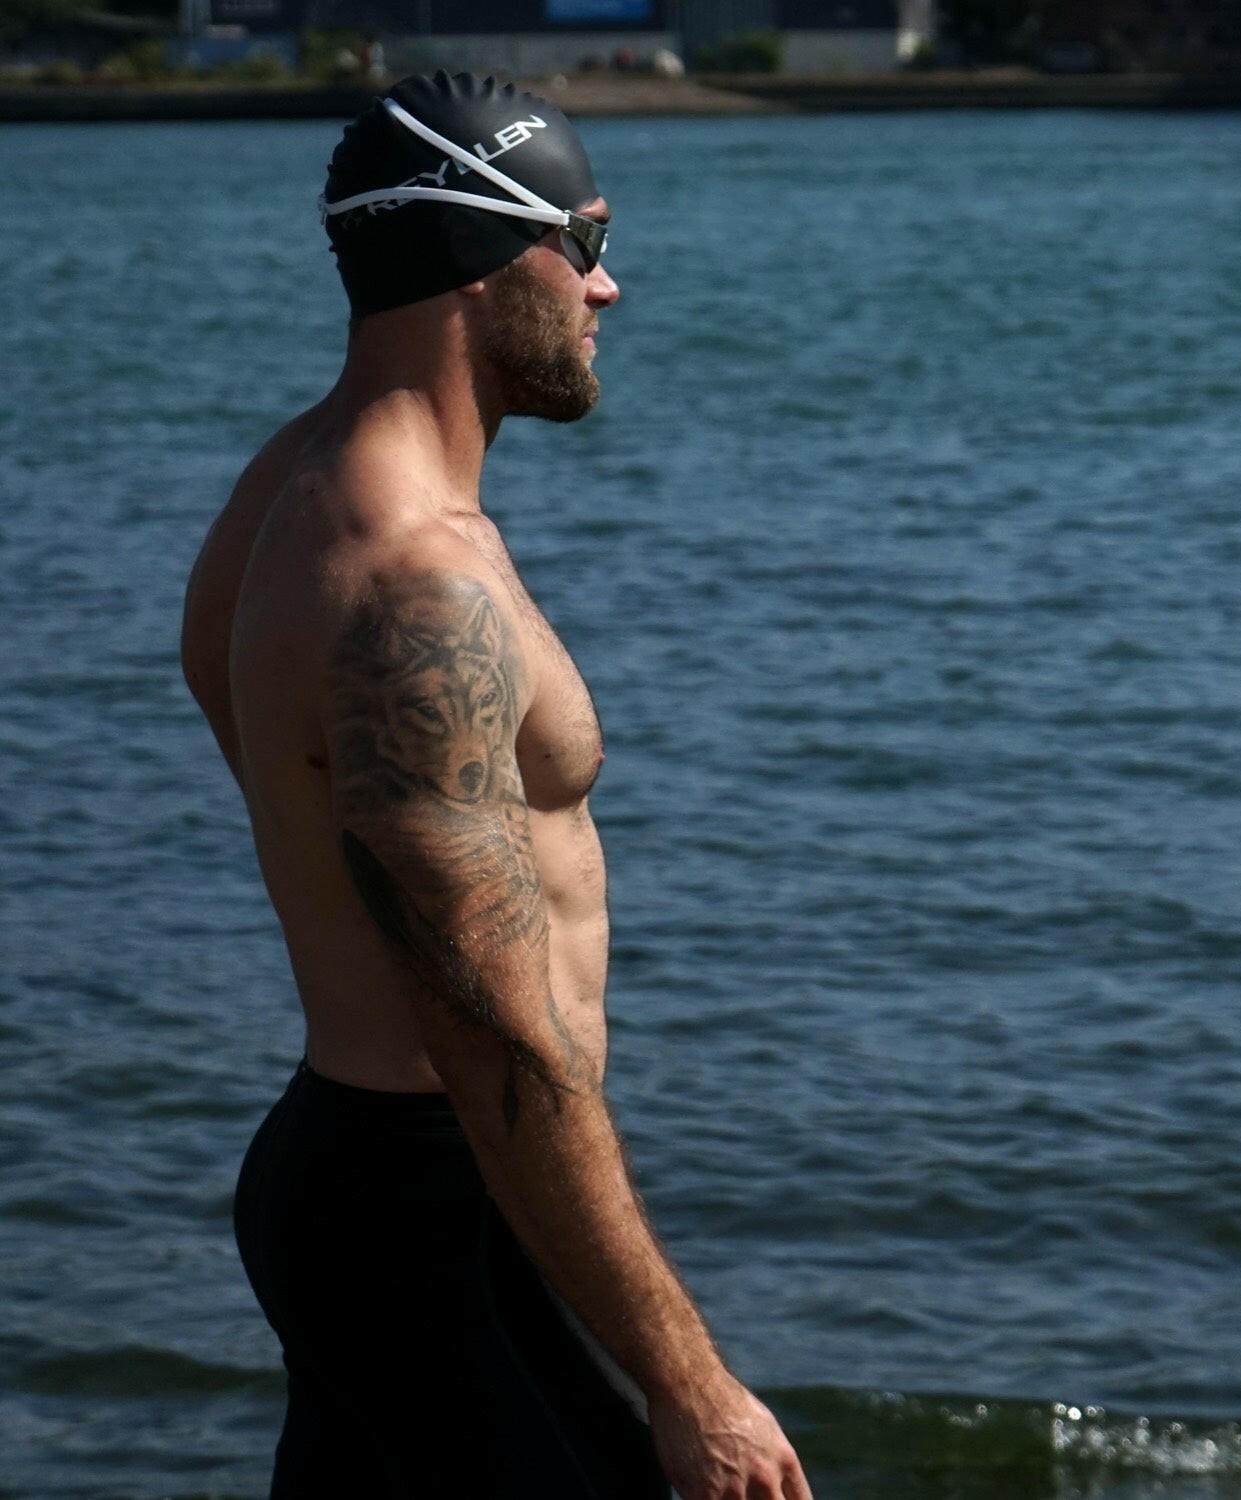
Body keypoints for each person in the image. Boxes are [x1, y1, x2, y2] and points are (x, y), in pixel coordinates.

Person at [180, 71, 813, 1500]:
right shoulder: (417, 586)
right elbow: (495, 1039)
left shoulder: (288, 488)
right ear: (480, 259)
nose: (608, 289)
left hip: (363, 1180)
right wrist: (693, 1387)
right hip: (441, 1205)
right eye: (581, 243)